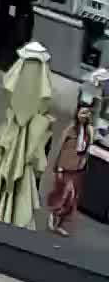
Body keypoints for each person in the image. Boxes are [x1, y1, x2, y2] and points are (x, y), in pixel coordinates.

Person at [47, 99, 92, 235]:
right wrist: (58, 166)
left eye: (87, 113)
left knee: (72, 199)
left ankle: (60, 223)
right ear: (77, 114)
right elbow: (60, 148)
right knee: (65, 194)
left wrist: (84, 162)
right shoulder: (71, 129)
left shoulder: (88, 131)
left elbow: (86, 150)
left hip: (77, 169)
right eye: (82, 113)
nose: (84, 116)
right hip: (65, 167)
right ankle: (54, 214)